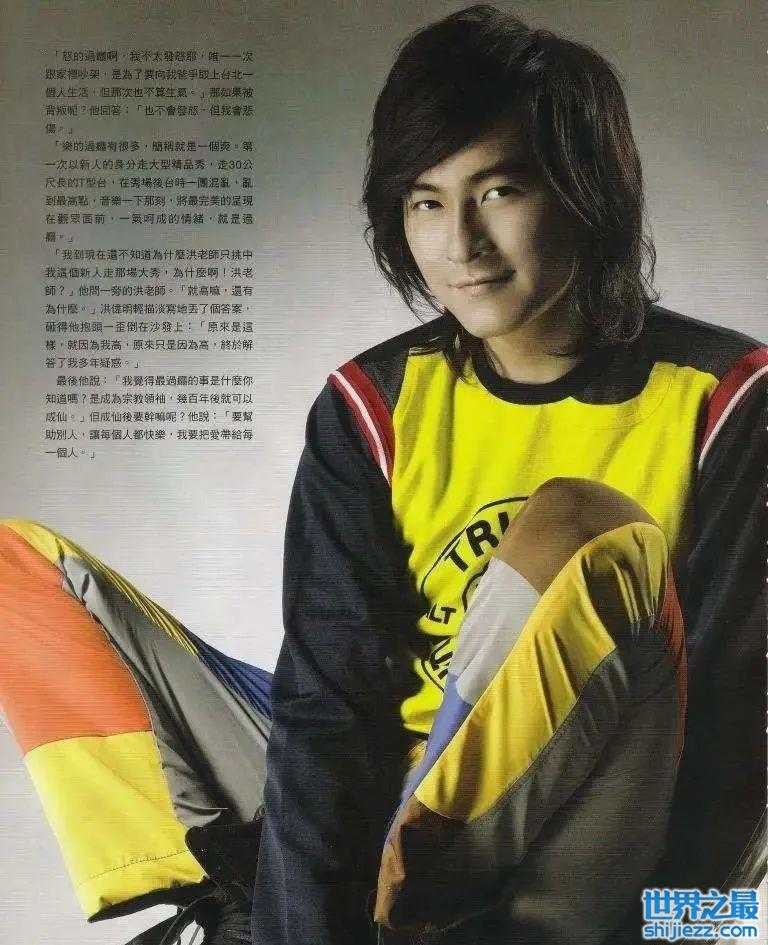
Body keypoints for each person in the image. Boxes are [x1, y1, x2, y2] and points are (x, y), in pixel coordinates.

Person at [0, 6, 764, 945]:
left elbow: (738, 741)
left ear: (586, 189)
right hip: (388, 803)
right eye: (426, 201)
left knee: (583, 525)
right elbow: (331, 700)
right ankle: (241, 892)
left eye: (499, 191)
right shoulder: (375, 404)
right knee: (19, 566)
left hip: (586, 831)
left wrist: (687, 932)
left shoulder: (728, 398)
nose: (461, 244)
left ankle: (416, 893)